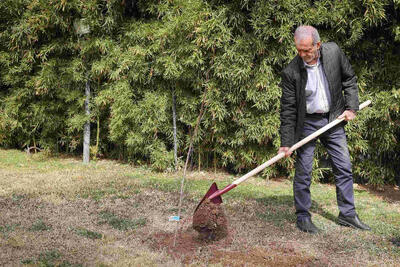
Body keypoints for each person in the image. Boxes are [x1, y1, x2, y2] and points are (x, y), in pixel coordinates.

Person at [278, 25, 370, 233]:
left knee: (344, 165)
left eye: (307, 50)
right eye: (299, 50)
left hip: (333, 118)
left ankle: (347, 214)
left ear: (318, 45)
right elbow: (288, 110)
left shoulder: (333, 52)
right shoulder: (291, 72)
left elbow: (349, 79)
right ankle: (303, 216)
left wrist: (352, 107)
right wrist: (286, 142)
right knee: (304, 171)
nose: (302, 55)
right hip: (308, 122)